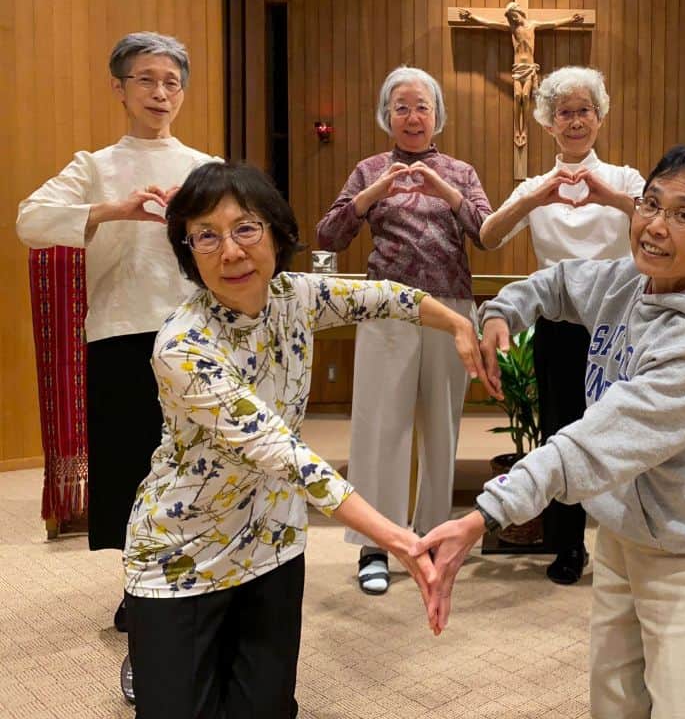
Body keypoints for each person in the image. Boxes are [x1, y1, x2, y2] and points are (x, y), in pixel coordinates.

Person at [415, 145, 685, 718]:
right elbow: (557, 282)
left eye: (683, 214)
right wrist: (505, 310)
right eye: (650, 203)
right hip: (626, 531)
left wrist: (483, 516)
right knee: (616, 708)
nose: (654, 226)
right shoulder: (629, 281)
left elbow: (590, 444)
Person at [122, 161, 497, 717]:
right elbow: (285, 455)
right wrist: (398, 538)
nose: (229, 252)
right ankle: (149, 659)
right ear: (188, 251)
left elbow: (387, 297)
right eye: (206, 235)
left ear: (276, 232)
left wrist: (458, 323)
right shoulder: (182, 346)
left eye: (246, 228)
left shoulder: (295, 296)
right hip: (183, 554)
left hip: (273, 543)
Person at [16, 32, 217, 631]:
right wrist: (114, 209)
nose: (160, 93)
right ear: (120, 89)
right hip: (120, 331)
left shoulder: (205, 167)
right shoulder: (94, 166)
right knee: (134, 468)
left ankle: (198, 582)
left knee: (196, 466)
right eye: (146, 80)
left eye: (172, 82)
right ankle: (140, 587)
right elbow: (30, 220)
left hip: (195, 334)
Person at [315, 66, 493, 595]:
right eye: (401, 107)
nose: (412, 117)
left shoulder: (460, 171)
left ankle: (436, 537)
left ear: (437, 114)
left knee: (442, 425)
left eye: (422, 107)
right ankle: (378, 545)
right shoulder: (368, 167)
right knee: (380, 426)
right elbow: (328, 235)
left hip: (451, 307)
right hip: (386, 307)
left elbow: (486, 234)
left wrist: (446, 190)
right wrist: (370, 195)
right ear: (385, 115)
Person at [478, 65, 645, 584]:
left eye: (585, 111)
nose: (576, 121)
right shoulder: (534, 186)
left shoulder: (624, 177)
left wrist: (606, 196)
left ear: (600, 117)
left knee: (624, 430)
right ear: (549, 122)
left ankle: (633, 540)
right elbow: (487, 236)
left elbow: (658, 220)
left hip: (618, 323)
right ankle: (568, 544)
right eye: (565, 112)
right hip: (557, 321)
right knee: (561, 431)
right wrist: (533, 198)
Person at [457, 3, 584, 146]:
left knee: (525, 96)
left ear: (519, 12)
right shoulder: (512, 28)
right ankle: (518, 129)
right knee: (518, 96)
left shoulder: (533, 25)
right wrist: (472, 18)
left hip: (529, 68)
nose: (514, 19)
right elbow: (489, 23)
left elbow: (552, 24)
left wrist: (571, 20)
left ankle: (525, 128)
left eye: (514, 15)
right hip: (517, 68)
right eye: (511, 17)